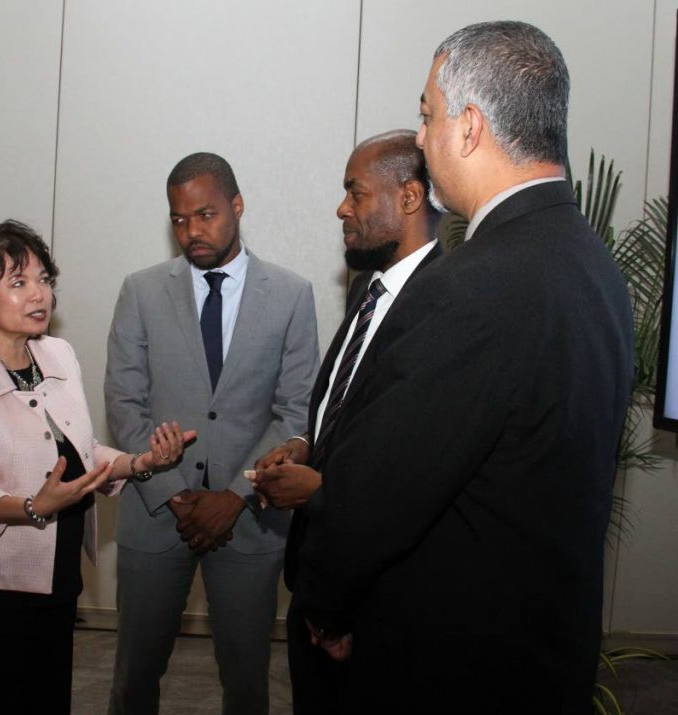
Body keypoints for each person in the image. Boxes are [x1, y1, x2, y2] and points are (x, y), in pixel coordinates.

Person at [293, 21, 635, 713]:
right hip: (541, 657)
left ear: (470, 126)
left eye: (427, 115)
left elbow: (376, 497)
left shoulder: (474, 285)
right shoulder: (593, 265)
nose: (421, 137)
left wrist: (326, 606)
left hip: (448, 667)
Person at [0, 220, 195, 715]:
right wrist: (31, 506)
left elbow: (80, 448)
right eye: (18, 281)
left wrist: (142, 462)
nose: (40, 294)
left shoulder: (58, 354)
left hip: (55, 573)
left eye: (44, 279)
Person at [104, 152, 319, 714]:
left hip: (248, 522)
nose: (191, 232)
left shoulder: (292, 295)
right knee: (132, 678)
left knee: (247, 684)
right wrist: (176, 494)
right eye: (178, 219)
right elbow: (125, 405)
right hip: (155, 516)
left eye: (205, 215)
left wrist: (235, 497)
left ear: (237, 206)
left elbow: (294, 410)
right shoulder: (141, 291)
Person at [251, 129, 441, 714]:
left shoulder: (446, 305)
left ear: (407, 199)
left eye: (354, 193)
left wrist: (323, 495)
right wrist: (304, 445)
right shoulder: (368, 288)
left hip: (376, 606)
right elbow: (344, 410)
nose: (341, 208)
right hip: (320, 586)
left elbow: (411, 472)